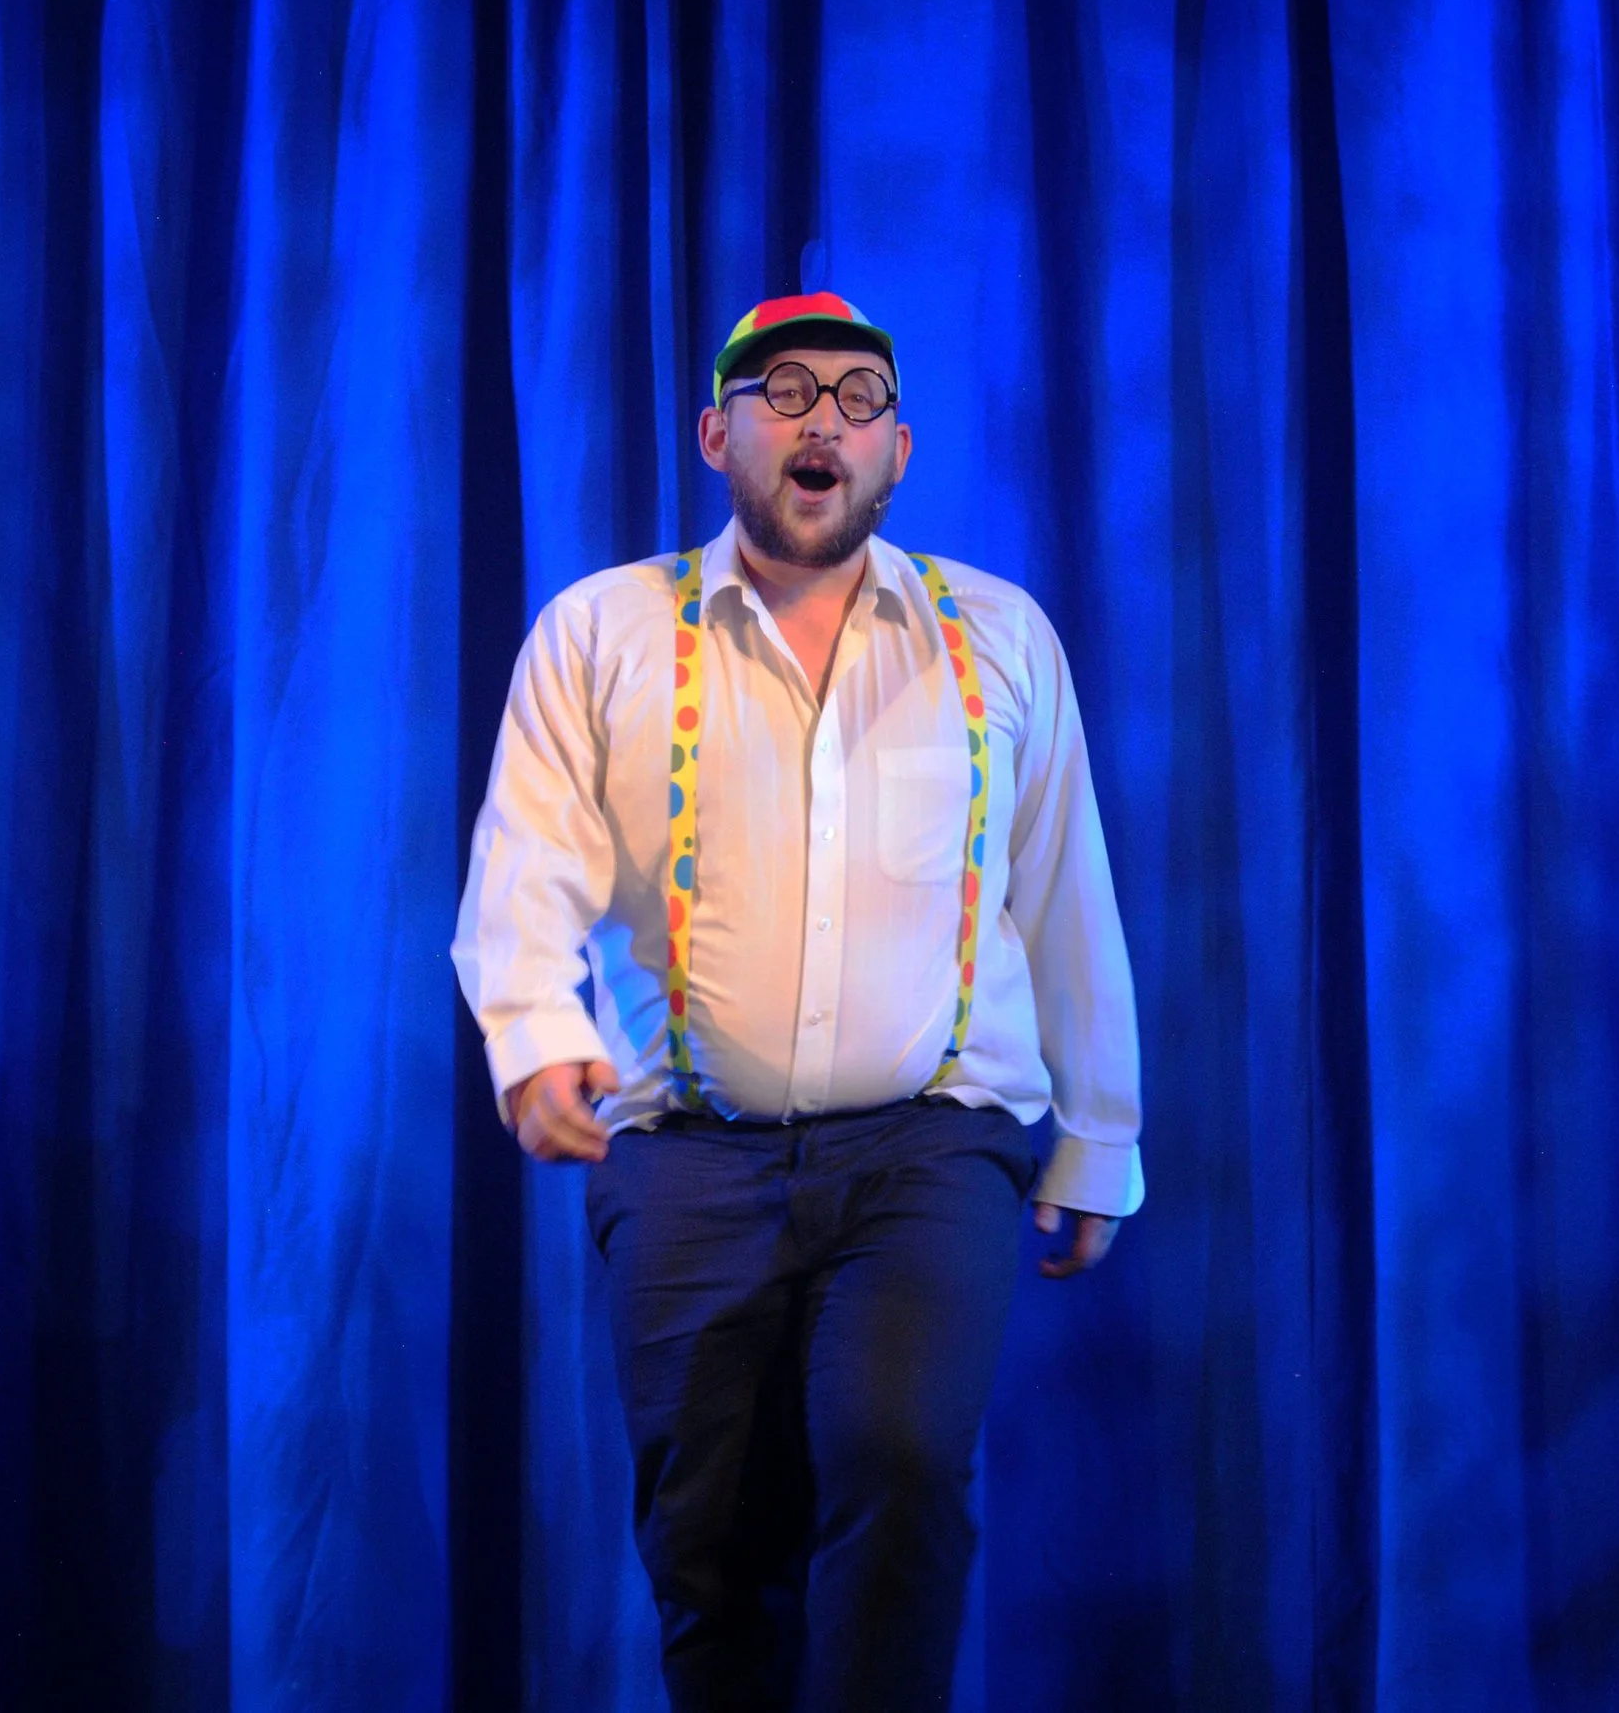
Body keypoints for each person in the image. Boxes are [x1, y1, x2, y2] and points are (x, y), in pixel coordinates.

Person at [452, 291, 1143, 1712]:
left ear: (900, 450)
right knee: (712, 1546)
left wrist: (1100, 1132)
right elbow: (527, 862)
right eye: (785, 392)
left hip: (930, 1148)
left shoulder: (996, 638)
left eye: (855, 398)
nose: (820, 419)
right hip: (688, 1154)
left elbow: (1064, 890)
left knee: (896, 1459)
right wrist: (533, 1032)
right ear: (719, 433)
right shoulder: (603, 630)